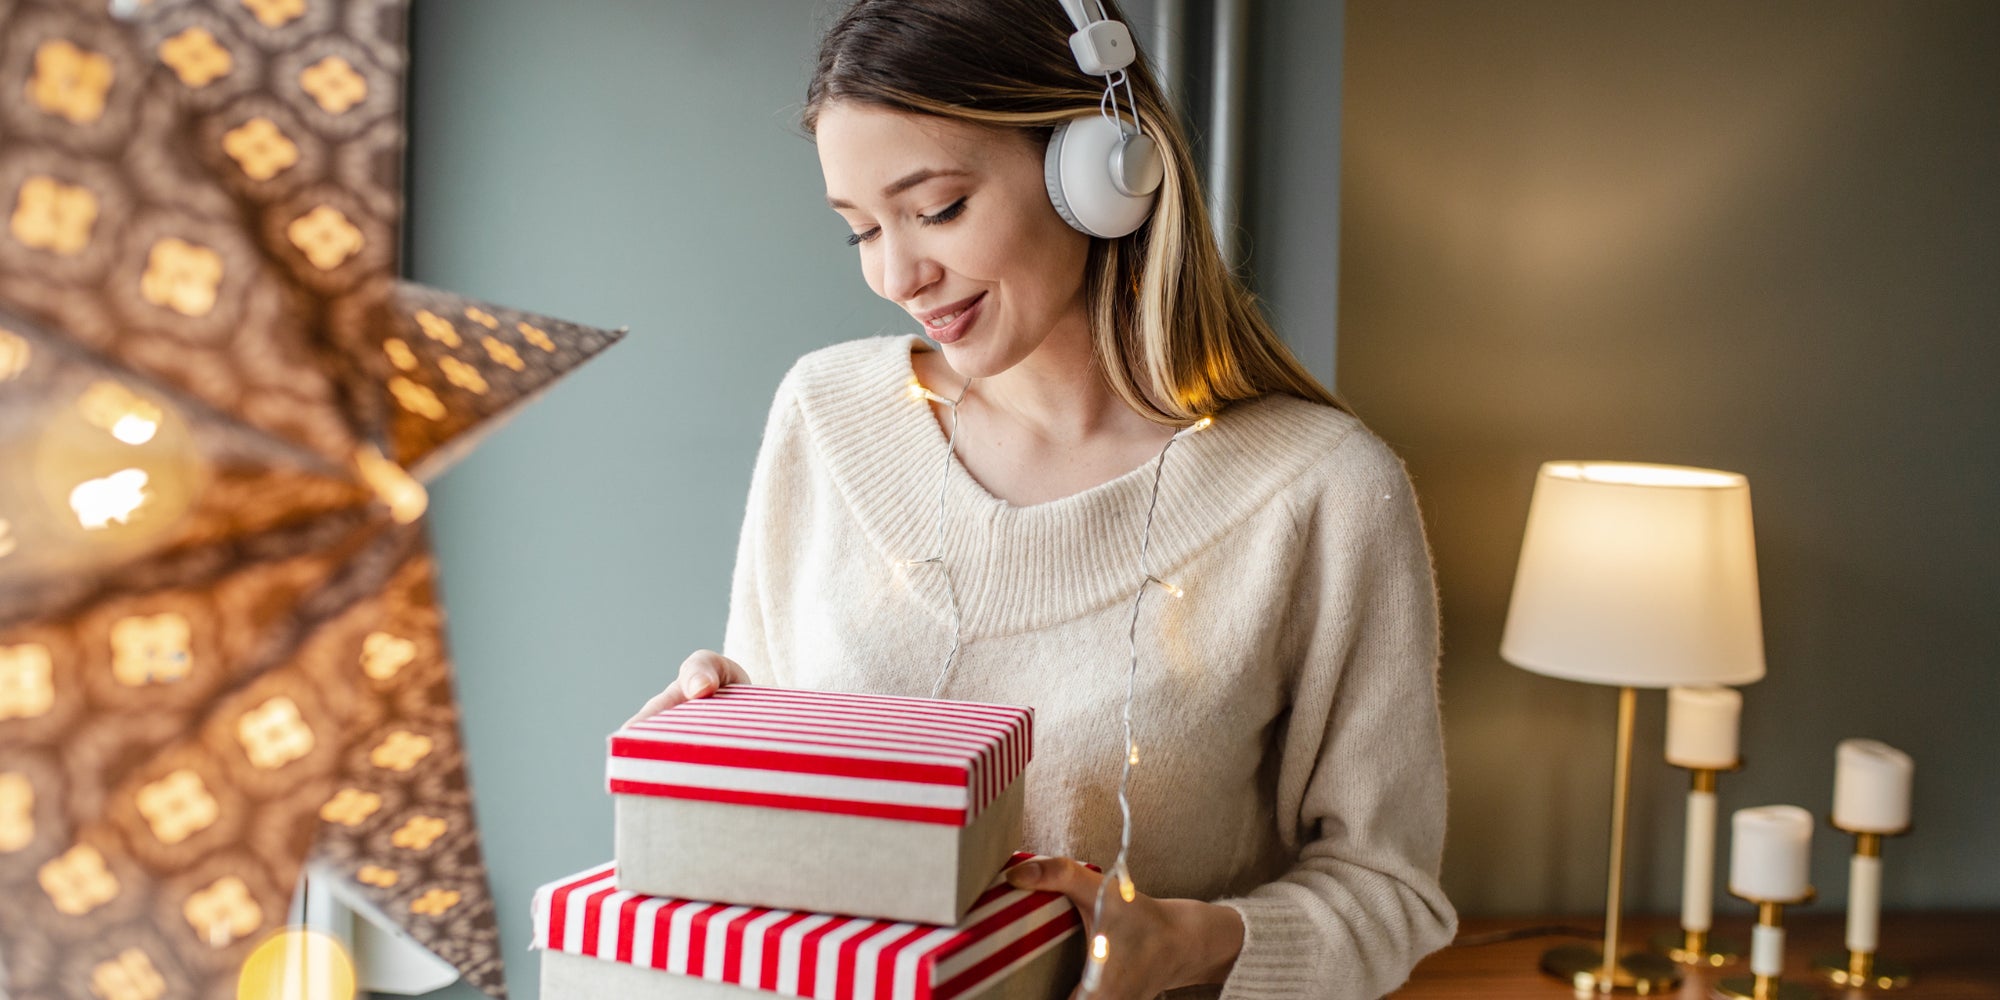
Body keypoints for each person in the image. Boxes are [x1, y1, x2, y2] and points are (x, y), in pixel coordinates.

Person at [626, 1, 1456, 996]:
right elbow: (782, 836)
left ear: (1099, 165)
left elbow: (1388, 892)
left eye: (935, 208)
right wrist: (709, 746)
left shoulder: (1321, 493)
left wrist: (1189, 942)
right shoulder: (825, 414)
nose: (897, 273)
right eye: (858, 231)